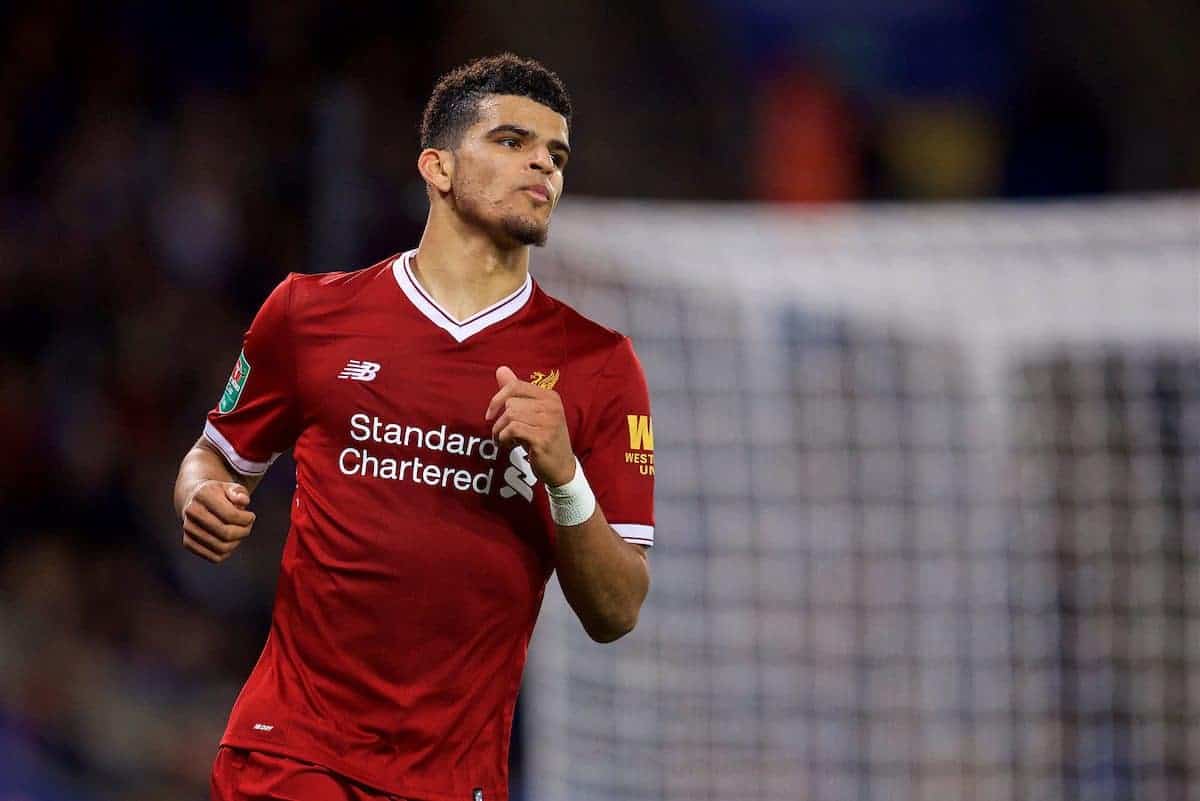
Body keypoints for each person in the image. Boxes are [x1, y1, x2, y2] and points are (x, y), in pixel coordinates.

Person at [172, 53, 654, 801]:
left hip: (455, 780)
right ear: (438, 166)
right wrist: (199, 493)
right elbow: (213, 457)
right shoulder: (308, 313)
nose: (543, 165)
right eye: (511, 141)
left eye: (556, 154)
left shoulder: (599, 365)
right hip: (292, 755)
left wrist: (566, 477)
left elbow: (618, 609)